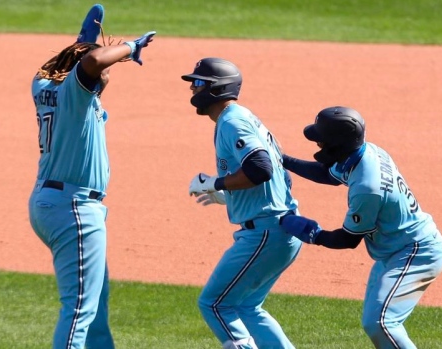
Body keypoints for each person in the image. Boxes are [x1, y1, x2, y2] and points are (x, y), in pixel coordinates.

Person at [27, 4, 155, 349]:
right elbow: (92, 64)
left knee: (94, 303)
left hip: (52, 202)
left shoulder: (42, 87)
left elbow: (80, 61)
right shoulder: (76, 94)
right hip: (74, 209)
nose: (109, 74)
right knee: (80, 309)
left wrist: (85, 41)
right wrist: (132, 46)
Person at [279, 106, 442, 349]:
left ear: (337, 143)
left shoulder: (367, 186)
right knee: (375, 322)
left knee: (381, 323)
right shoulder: (366, 153)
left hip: (416, 252)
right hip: (397, 249)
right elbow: (327, 174)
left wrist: (313, 234)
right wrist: (284, 160)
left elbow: (348, 240)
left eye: (322, 141)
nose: (318, 145)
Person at [183, 57, 303, 349]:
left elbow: (261, 169)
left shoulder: (232, 121)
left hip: (264, 233)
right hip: (279, 228)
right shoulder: (242, 117)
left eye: (199, 84)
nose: (193, 90)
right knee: (247, 307)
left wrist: (216, 182)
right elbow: (273, 176)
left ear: (217, 89)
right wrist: (227, 195)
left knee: (214, 304)